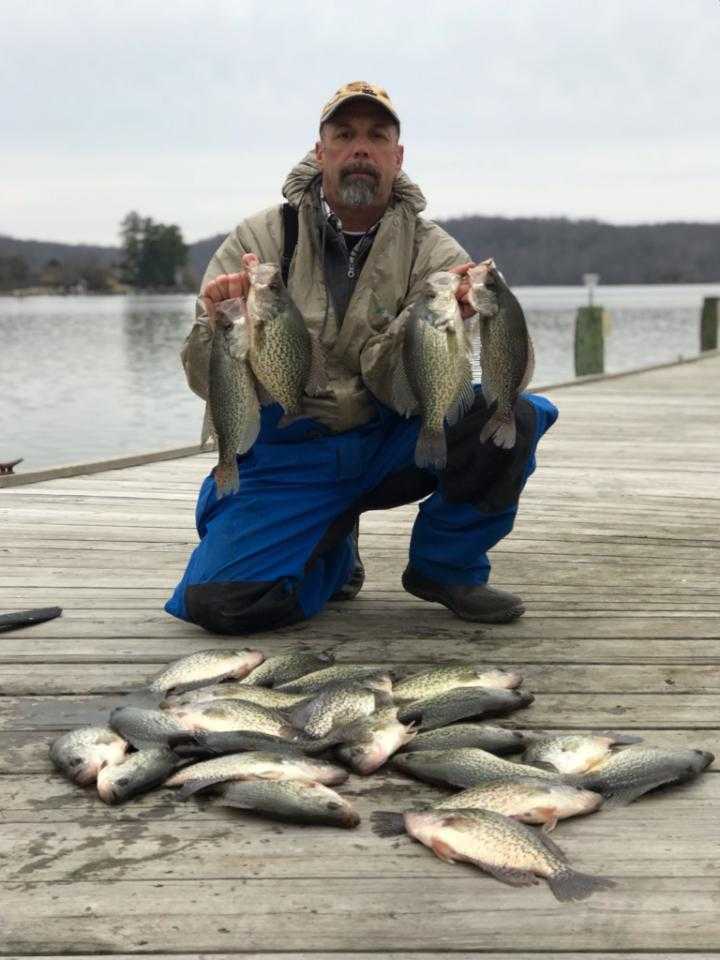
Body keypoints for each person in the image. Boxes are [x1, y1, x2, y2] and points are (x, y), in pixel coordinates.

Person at [165, 81, 558, 634]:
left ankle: (446, 569)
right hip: (290, 450)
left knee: (515, 415)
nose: (360, 149)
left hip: (390, 438)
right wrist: (215, 322)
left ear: (397, 157)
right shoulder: (259, 239)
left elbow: (413, 383)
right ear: (320, 151)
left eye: (377, 137)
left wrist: (456, 319)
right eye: (344, 135)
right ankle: (330, 551)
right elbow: (207, 380)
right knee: (222, 604)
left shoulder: (436, 253)